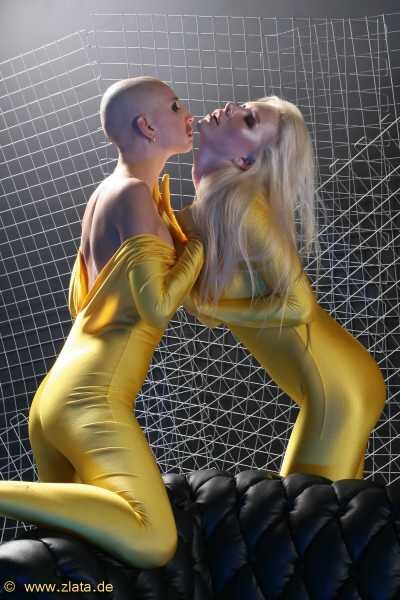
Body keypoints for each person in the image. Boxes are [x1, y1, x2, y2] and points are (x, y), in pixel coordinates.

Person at [0, 77, 204, 568]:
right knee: (154, 540)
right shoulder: (132, 194)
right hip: (89, 400)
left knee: (73, 561)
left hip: (55, 400)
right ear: (146, 126)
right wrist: (199, 246)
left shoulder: (107, 194)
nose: (189, 115)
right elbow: (156, 307)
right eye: (176, 106)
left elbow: (87, 303)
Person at [177, 96, 386, 481]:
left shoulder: (243, 206)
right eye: (246, 106)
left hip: (339, 389)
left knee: (301, 513)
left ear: (246, 161)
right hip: (327, 389)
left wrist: (215, 308)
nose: (232, 106)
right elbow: (206, 310)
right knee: (324, 516)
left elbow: (299, 306)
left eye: (249, 120)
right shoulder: (200, 214)